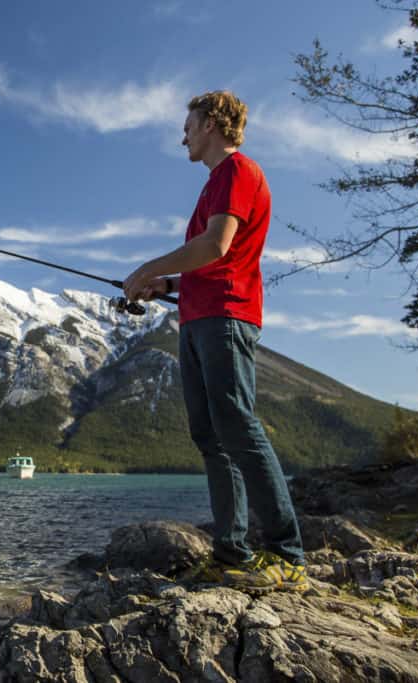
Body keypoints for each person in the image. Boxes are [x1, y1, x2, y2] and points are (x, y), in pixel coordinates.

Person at [122, 90, 307, 593]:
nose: (183, 133)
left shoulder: (237, 172)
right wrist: (167, 286)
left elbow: (215, 246)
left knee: (238, 427)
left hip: (226, 318)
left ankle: (287, 554)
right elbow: (211, 262)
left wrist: (148, 268)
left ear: (211, 123)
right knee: (210, 436)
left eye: (189, 123)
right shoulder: (214, 184)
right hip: (198, 316)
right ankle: (231, 552)